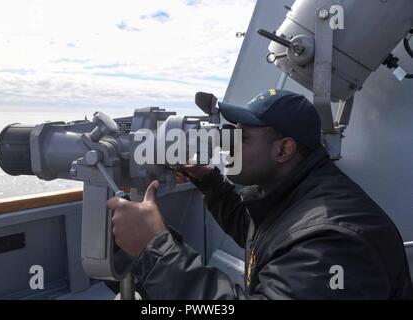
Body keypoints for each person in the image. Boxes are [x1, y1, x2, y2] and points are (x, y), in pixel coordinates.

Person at [107, 89, 413, 299]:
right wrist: (209, 180)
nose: (228, 145)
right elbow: (259, 232)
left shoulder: (332, 243)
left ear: (283, 149)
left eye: (242, 137)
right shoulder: (292, 194)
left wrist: (155, 249)